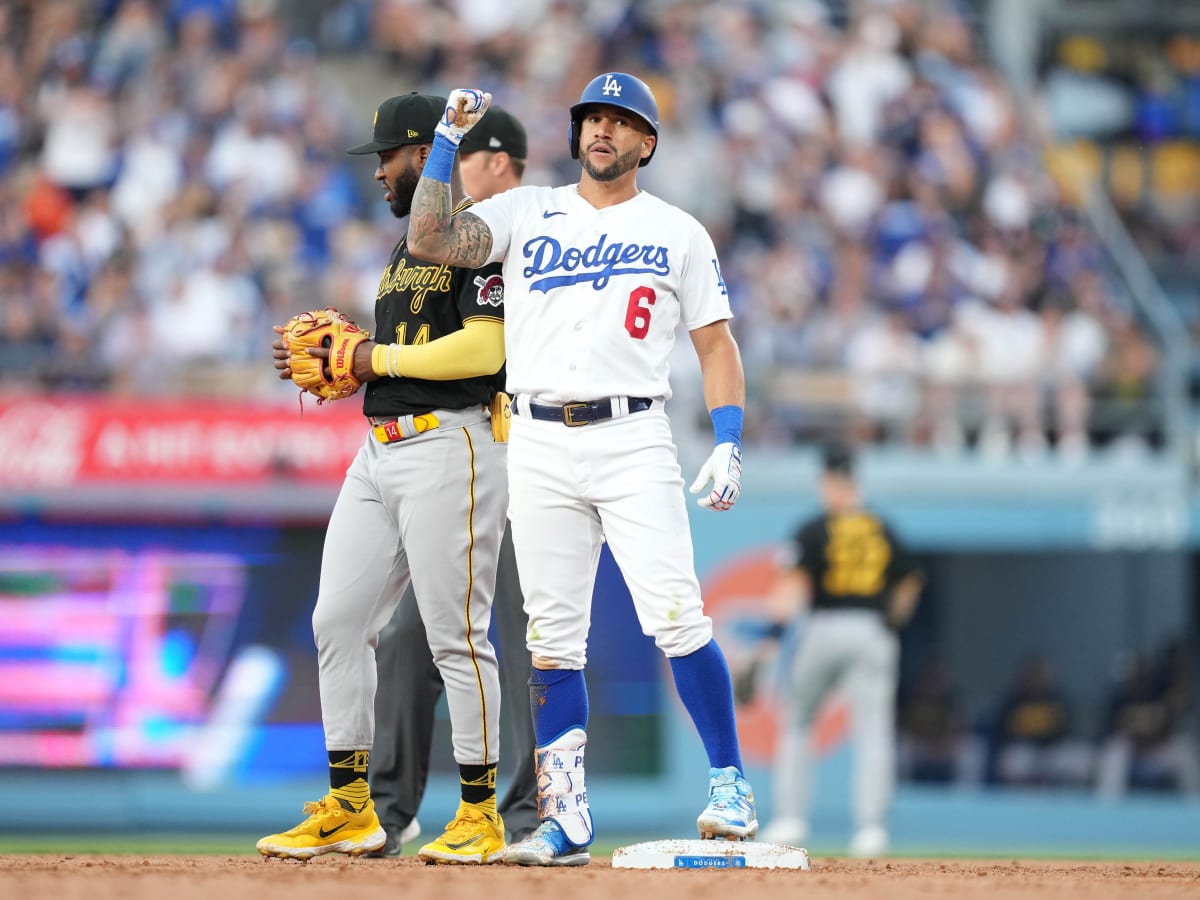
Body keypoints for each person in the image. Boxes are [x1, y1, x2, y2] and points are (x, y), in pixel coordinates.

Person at [406, 73, 756, 867]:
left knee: (676, 616)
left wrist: (730, 438)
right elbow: (431, 240)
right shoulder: (529, 210)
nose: (601, 128)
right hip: (535, 437)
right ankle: (566, 820)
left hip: (632, 435)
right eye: (592, 117)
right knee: (553, 641)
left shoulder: (677, 231)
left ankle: (730, 782)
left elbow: (715, 345)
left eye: (619, 119)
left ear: (647, 143)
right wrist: (448, 142)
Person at [256, 92, 511, 865]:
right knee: (336, 620)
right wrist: (356, 358)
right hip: (378, 450)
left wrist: (373, 359)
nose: (378, 177)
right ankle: (351, 804)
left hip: (450, 447)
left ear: (420, 153)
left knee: (454, 637)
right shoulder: (405, 252)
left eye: (386, 160)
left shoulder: (476, 236)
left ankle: (479, 813)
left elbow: (483, 353)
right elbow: (394, 353)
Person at [364, 106, 539, 858]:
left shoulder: (526, 225)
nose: (441, 183)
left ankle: (530, 818)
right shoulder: (462, 233)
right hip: (482, 448)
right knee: (409, 637)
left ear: (494, 162)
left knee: (533, 642)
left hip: (541, 454)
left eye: (455, 161)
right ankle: (389, 811)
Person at [757, 442, 923, 858]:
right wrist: (891, 621)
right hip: (873, 630)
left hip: (825, 625)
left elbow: (791, 587)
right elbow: (910, 580)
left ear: (833, 481)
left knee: (797, 720)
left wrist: (771, 638)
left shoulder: (816, 528)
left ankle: (792, 819)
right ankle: (871, 829)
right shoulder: (882, 528)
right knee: (873, 731)